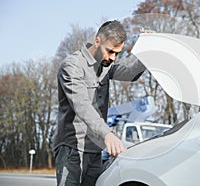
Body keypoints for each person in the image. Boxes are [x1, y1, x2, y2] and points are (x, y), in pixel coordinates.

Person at [52, 20, 146, 186]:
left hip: (95, 149)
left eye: (117, 53)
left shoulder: (106, 66)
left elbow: (131, 74)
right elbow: (82, 106)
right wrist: (107, 134)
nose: (112, 58)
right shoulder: (72, 66)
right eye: (109, 51)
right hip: (72, 148)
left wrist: (149, 50)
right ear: (97, 41)